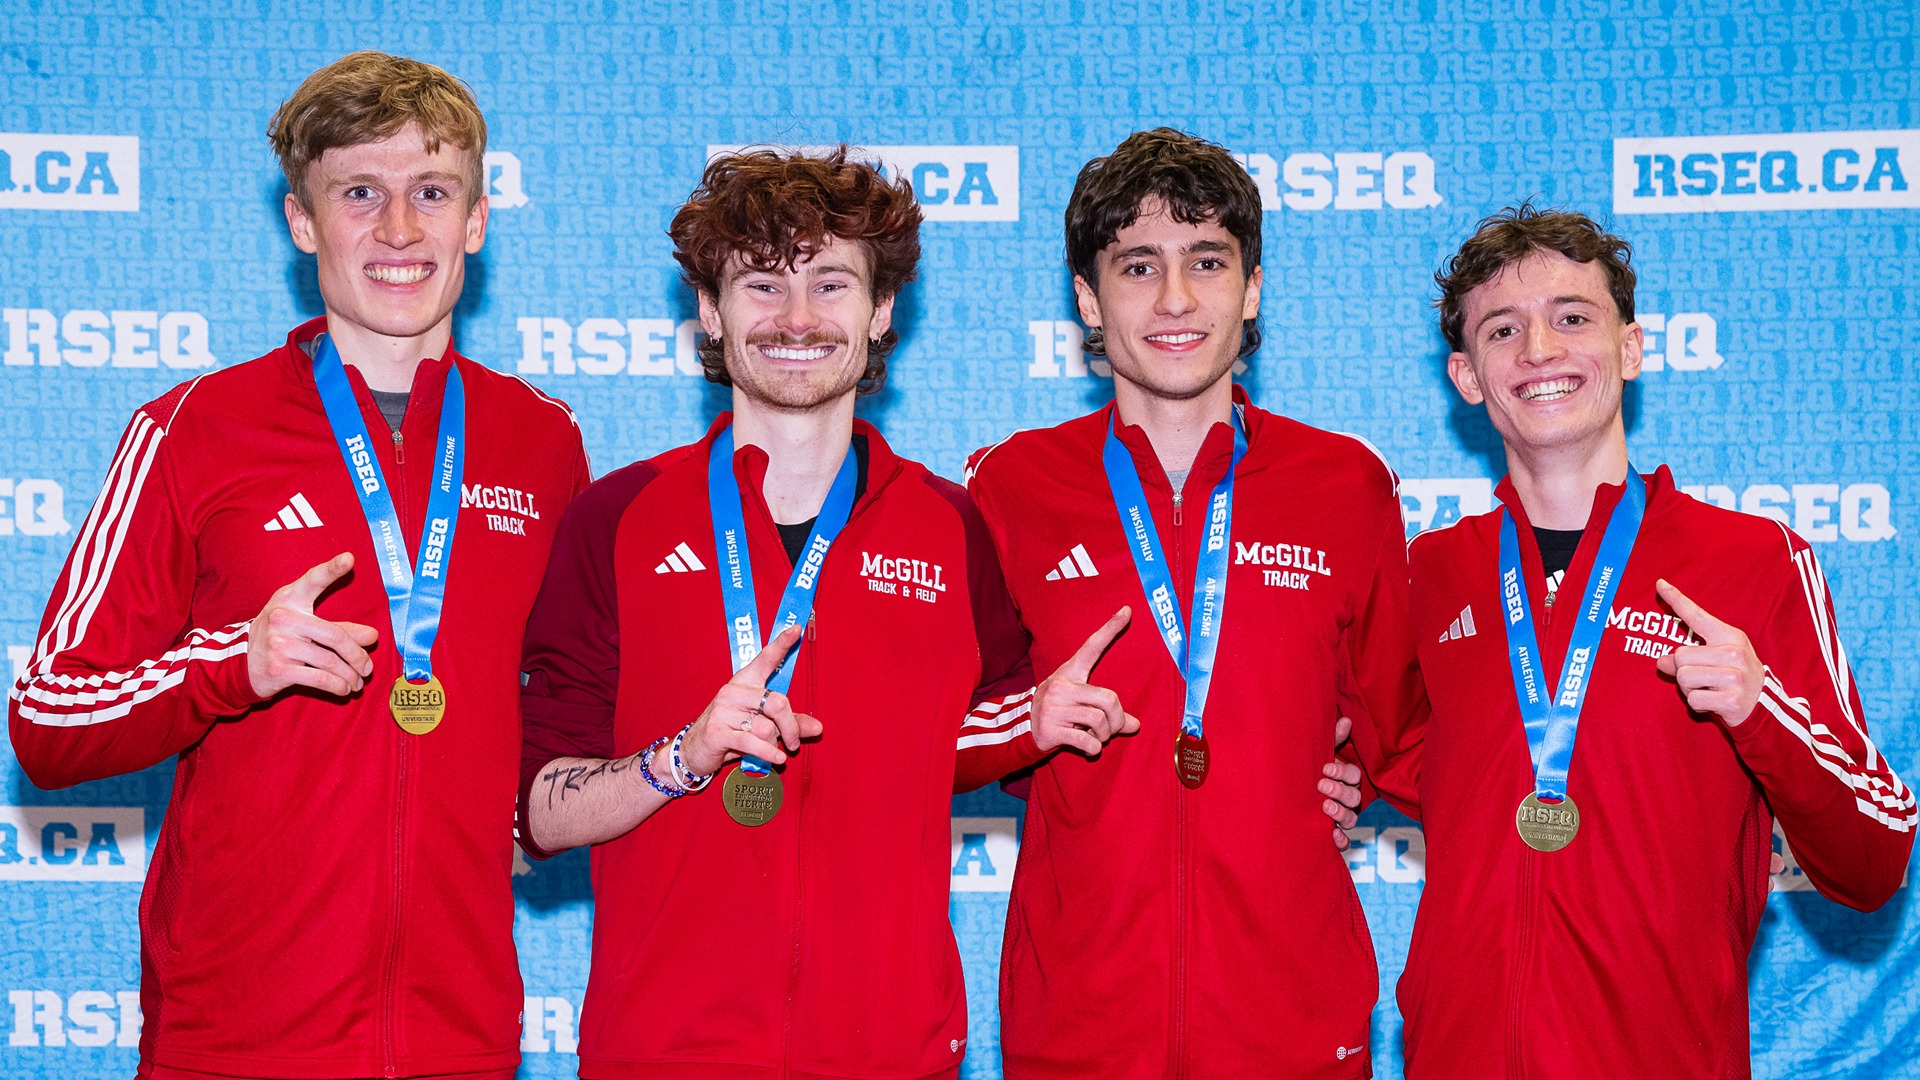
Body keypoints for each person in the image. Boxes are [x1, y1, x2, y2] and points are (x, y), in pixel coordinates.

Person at [8, 52, 590, 1080]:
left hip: (462, 1041)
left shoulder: (543, 441)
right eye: (359, 193)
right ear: (302, 222)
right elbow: (48, 719)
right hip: (236, 1041)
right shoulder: (192, 429)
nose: (399, 229)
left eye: (431, 192)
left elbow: (566, 703)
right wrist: (234, 662)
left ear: (477, 220)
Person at [513, 148, 1105, 1078]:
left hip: (893, 1054)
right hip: (665, 1056)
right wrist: (682, 758)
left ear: (880, 310)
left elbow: (989, 742)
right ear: (711, 310)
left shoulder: (953, 528)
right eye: (762, 283)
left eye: (831, 283)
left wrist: (1313, 761)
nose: (797, 318)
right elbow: (540, 813)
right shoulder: (616, 520)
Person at [1392, 203, 1914, 1078]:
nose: (1540, 350)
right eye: (1502, 329)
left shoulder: (1752, 561)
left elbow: (1875, 860)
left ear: (1631, 349)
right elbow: (1380, 745)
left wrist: (1762, 710)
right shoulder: (1428, 574)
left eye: (1572, 318)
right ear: (1468, 377)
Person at [955, 127, 1424, 1078]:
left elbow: (1405, 722)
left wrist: (1348, 777)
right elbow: (930, 736)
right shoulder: (1008, 487)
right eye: (1138, 266)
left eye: (1207, 261)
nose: (1175, 298)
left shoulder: (1346, 484)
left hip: (1293, 1028)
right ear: (1088, 299)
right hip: (1079, 1033)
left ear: (1252, 290)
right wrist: (1026, 727)